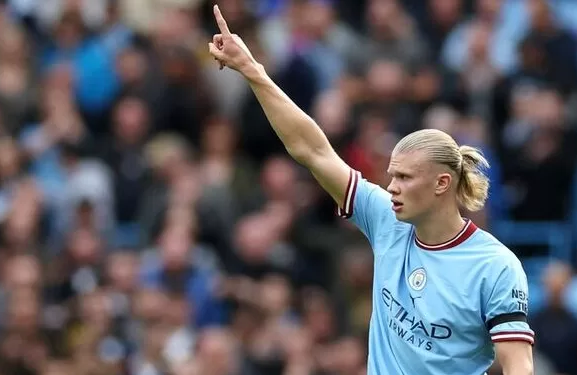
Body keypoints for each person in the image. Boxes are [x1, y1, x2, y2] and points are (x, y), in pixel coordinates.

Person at [207, 4, 534, 375]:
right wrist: (253, 71)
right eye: (392, 176)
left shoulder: (495, 266)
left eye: (406, 178)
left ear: (443, 183)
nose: (391, 187)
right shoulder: (384, 218)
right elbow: (312, 150)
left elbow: (518, 366)